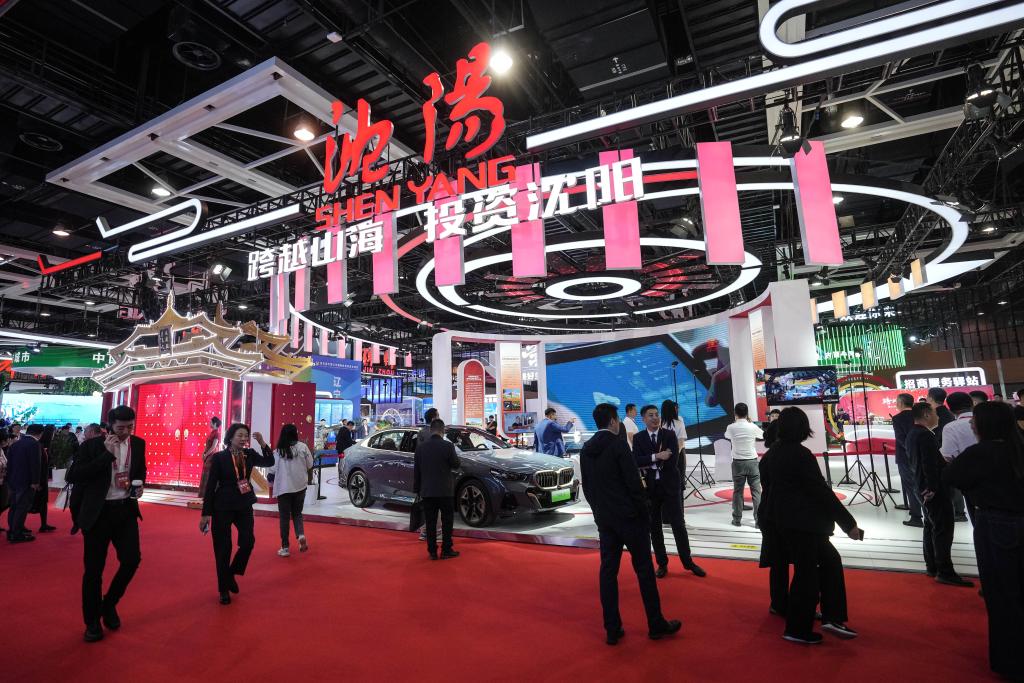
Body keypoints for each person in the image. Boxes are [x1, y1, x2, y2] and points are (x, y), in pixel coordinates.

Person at [758, 407, 864, 644]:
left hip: (782, 521)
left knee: (824, 563)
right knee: (808, 573)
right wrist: (848, 524)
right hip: (802, 523)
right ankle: (799, 628)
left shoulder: (773, 454)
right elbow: (820, 491)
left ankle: (829, 617)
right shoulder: (800, 455)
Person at [580, 402, 682, 645]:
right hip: (630, 519)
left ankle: (612, 628)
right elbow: (633, 484)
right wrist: (644, 513)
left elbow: (588, 487)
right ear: (613, 421)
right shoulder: (618, 445)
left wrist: (598, 513)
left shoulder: (586, 449)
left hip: (605, 520)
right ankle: (655, 624)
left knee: (608, 573)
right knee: (644, 571)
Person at [944, 401, 1024, 680]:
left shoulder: (980, 453)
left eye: (975, 420)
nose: (971, 424)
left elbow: (952, 477)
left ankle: (1012, 661)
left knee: (1002, 593)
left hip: (996, 525)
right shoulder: (1018, 447)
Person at [66, 406, 146, 642]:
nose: (126, 432)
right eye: (121, 427)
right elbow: (74, 475)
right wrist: (106, 455)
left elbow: (140, 470)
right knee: (94, 570)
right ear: (110, 425)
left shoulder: (138, 444)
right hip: (98, 514)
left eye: (130, 427)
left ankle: (108, 603)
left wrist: (139, 486)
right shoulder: (92, 446)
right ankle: (92, 621)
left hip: (125, 511)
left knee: (132, 560)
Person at [199, 423, 273, 605]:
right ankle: (223, 589)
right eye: (240, 435)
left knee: (248, 542)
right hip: (222, 506)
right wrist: (206, 513)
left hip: (244, 504)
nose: (243, 439)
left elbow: (269, 462)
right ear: (230, 437)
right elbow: (210, 486)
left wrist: (263, 443)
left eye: (246, 436)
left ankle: (231, 573)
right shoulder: (219, 458)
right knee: (223, 548)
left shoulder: (250, 454)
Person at [633, 405, 706, 578]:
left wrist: (649, 462)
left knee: (678, 525)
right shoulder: (638, 438)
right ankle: (662, 563)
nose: (655, 418)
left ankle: (688, 562)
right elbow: (636, 460)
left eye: (656, 414)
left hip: (670, 485)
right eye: (650, 415)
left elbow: (672, 461)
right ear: (643, 419)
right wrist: (657, 456)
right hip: (650, 489)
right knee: (654, 527)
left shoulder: (669, 435)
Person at [905, 402, 973, 587]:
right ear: (926, 414)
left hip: (921, 488)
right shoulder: (925, 435)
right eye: (935, 413)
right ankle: (945, 571)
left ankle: (933, 566)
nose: (938, 416)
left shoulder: (913, 434)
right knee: (943, 529)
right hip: (933, 490)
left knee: (931, 526)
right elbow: (929, 464)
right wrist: (932, 488)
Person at [413, 418, 461, 560]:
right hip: (445, 491)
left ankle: (432, 551)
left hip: (427, 491)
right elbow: (456, 464)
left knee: (430, 522)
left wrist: (417, 490)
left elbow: (417, 471)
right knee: (447, 521)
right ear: (443, 430)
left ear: (431, 430)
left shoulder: (421, 448)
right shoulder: (448, 446)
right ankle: (446, 549)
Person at [269, 424, 314, 557]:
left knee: (284, 518)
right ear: (295, 433)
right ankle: (300, 535)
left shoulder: (278, 452)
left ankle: (285, 547)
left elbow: (271, 470)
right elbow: (310, 465)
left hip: (284, 489)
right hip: (300, 487)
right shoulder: (303, 447)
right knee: (297, 514)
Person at [724, 402, 763, 527]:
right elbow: (762, 435)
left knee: (738, 492)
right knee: (756, 492)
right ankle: (758, 521)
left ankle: (737, 520)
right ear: (747, 413)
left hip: (738, 463)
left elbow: (726, 436)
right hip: (752, 461)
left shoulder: (731, 427)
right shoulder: (752, 426)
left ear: (735, 413)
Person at [940, 391, 976, 522]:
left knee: (978, 517)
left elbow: (948, 456)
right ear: (972, 405)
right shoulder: (987, 420)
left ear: (950, 409)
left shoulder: (951, 427)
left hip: (970, 479)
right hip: (1001, 475)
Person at [5, 423, 43, 543]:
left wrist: (9, 479)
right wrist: (35, 481)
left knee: (14, 506)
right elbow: (35, 464)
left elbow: (9, 463)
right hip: (26, 481)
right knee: (22, 507)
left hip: (13, 480)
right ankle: (16, 533)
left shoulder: (16, 444)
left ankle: (12, 531)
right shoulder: (34, 444)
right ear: (40, 434)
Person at [892, 393, 923, 528]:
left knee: (911, 487)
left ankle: (916, 517)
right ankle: (927, 514)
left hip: (905, 457)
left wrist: (910, 451)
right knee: (922, 485)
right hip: (922, 455)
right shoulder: (919, 415)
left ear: (900, 403)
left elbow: (901, 438)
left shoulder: (898, 418)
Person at [32, 424, 56, 533]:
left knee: (43, 502)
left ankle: (44, 524)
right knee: (32, 502)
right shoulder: (39, 446)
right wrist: (37, 481)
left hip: (43, 478)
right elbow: (37, 465)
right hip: (39, 479)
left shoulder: (44, 445)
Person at [198, 416, 222, 499]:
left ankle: (209, 494)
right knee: (205, 474)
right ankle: (204, 494)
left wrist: (206, 455)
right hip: (208, 455)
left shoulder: (217, 433)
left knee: (209, 475)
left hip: (212, 456)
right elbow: (207, 445)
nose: (209, 423)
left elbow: (213, 447)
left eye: (211, 422)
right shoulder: (211, 433)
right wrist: (203, 453)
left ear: (215, 423)